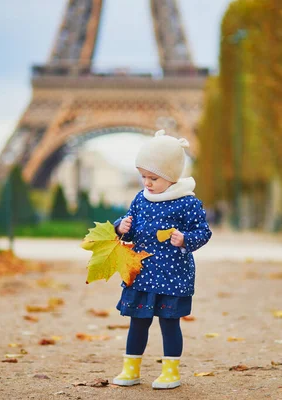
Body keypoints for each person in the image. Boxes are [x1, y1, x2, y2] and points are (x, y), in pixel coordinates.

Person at [112, 130, 212, 389]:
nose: (147, 183)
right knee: (138, 322)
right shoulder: (141, 199)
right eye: (143, 176)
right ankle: (130, 368)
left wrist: (185, 239)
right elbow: (131, 226)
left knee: (169, 323)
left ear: (170, 176)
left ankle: (170, 371)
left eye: (153, 177)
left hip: (172, 275)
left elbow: (203, 231)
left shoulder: (187, 202)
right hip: (142, 272)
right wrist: (121, 226)